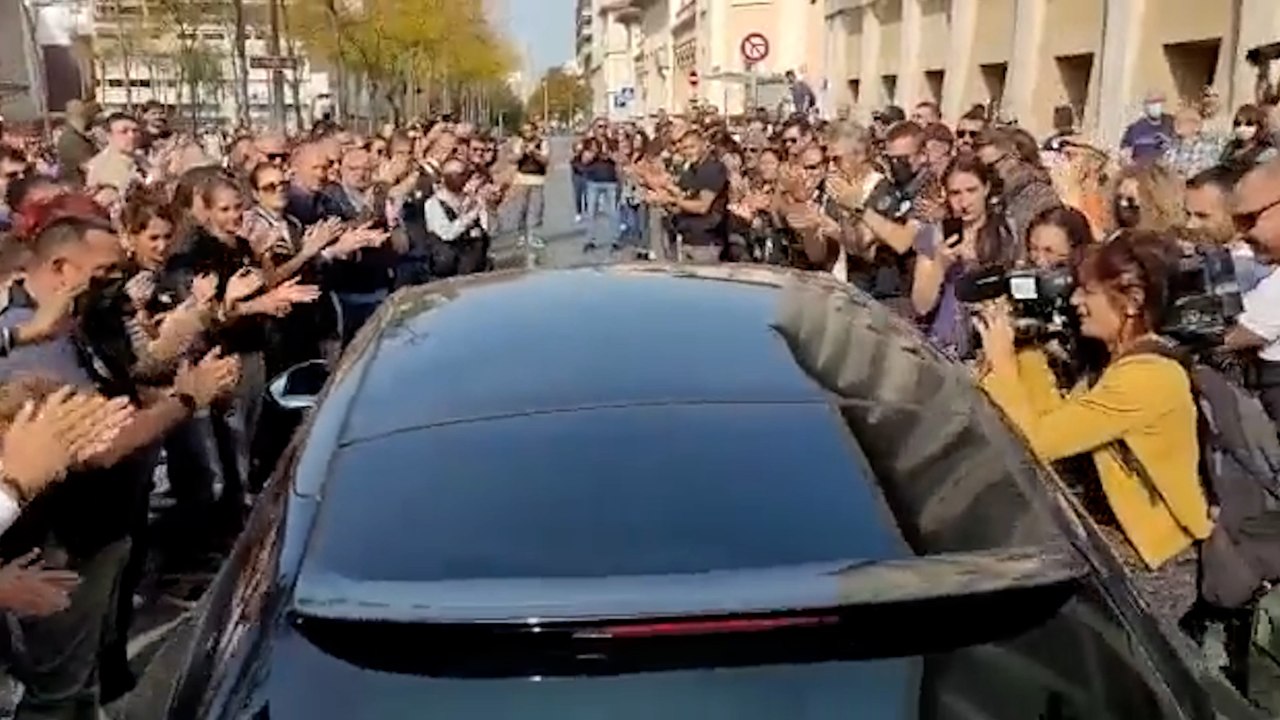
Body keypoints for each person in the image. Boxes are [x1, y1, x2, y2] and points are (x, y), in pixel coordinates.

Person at [977, 230, 1213, 625]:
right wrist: (1026, 346)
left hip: (1153, 566)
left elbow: (1037, 441)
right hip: (1118, 553)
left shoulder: (1148, 377)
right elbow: (1048, 419)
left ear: (1133, 301)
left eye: (1087, 291)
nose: (1074, 302)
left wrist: (1001, 364)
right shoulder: (1119, 364)